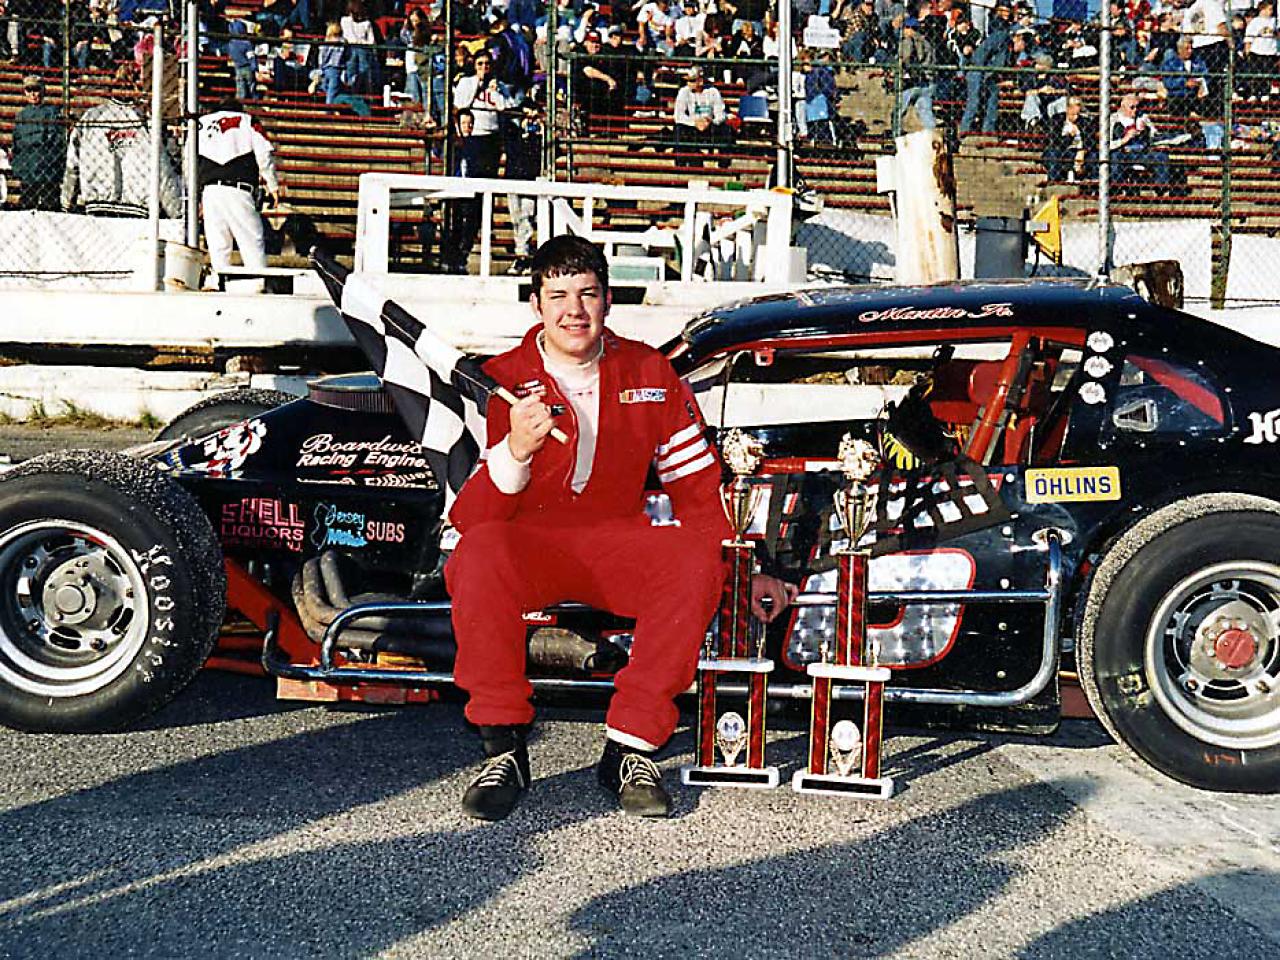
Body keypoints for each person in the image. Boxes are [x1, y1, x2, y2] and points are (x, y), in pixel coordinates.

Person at [445, 235, 797, 821]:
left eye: (587, 294)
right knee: (479, 552)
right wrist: (517, 449)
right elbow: (472, 518)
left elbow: (696, 487)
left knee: (691, 558)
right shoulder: (497, 379)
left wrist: (745, 568)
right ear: (535, 304)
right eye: (558, 296)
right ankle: (503, 747)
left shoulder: (648, 369)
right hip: (530, 545)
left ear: (608, 300)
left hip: (614, 542)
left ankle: (630, 748)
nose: (573, 311)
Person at [62, 65, 183, 219]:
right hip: (137, 208)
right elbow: (163, 171)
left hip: (97, 206)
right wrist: (177, 212)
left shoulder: (92, 116)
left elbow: (72, 164)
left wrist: (66, 204)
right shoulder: (145, 121)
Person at [197, 97, 281, 285]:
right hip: (239, 189)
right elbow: (264, 154)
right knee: (251, 241)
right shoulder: (248, 121)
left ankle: (218, 285)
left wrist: (196, 195)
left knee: (218, 245)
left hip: (210, 190)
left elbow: (190, 158)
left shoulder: (201, 123)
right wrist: (273, 185)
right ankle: (258, 284)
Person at [12, 75, 65, 211]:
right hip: (28, 170)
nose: (33, 94)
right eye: (29, 90)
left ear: (43, 91)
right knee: (26, 207)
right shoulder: (21, 115)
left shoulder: (52, 112)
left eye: (36, 90)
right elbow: (17, 144)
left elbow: (56, 141)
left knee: (50, 208)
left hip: (47, 170)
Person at [961, 0, 1013, 133]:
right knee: (975, 101)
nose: (1007, 13)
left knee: (990, 98)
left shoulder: (1002, 29)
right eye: (1004, 9)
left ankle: (985, 129)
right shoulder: (1001, 32)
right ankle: (966, 129)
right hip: (978, 68)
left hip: (985, 68)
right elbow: (985, 51)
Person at [1109, 91, 1170, 192]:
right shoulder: (1113, 119)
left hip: (1142, 152)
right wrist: (1124, 139)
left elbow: (1155, 135)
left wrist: (1147, 131)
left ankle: (1161, 188)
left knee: (1162, 157)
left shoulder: (1142, 118)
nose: (1135, 110)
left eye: (1138, 107)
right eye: (1132, 107)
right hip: (1123, 153)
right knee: (1115, 157)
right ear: (1122, 107)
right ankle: (1117, 188)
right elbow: (1107, 145)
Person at [673, 65, 733, 165]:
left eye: (692, 81)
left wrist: (710, 121)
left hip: (710, 126)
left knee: (725, 129)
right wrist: (694, 122)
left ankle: (724, 165)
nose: (688, 83)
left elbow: (720, 114)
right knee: (679, 129)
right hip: (692, 127)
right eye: (688, 81)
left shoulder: (713, 92)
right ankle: (681, 164)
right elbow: (678, 115)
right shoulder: (683, 91)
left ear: (700, 81)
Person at [898, 16, 937, 130]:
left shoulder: (908, 41)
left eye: (905, 28)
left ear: (910, 28)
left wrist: (903, 64)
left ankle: (895, 132)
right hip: (928, 82)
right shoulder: (927, 42)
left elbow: (907, 57)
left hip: (912, 82)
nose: (903, 31)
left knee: (899, 110)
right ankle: (932, 134)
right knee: (925, 111)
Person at [1160, 35, 1209, 117]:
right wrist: (1184, 83)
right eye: (1187, 48)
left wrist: (1200, 84)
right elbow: (1168, 82)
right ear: (1179, 49)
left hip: (1195, 96)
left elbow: (1206, 76)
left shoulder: (1198, 62)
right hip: (1178, 96)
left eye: (1191, 48)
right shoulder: (1170, 63)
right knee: (1178, 103)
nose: (1190, 51)